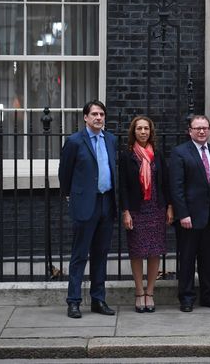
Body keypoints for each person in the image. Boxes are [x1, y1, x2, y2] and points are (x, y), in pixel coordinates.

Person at [59, 100, 117, 319]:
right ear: (85, 117)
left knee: (101, 255)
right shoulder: (74, 141)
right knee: (79, 255)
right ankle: (73, 301)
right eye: (94, 114)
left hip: (106, 202)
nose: (98, 118)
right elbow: (64, 172)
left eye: (102, 114)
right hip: (85, 204)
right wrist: (69, 195)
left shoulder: (110, 139)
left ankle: (98, 299)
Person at [170, 115, 210, 312]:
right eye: (197, 128)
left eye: (205, 128)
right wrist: (182, 214)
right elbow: (176, 187)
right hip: (189, 218)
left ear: (209, 130)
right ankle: (186, 297)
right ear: (190, 131)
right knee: (186, 258)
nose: (201, 131)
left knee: (207, 258)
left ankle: (208, 296)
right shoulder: (180, 152)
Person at [119, 116, 173, 313]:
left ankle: (150, 293)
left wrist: (169, 207)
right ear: (133, 132)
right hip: (136, 209)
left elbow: (165, 183)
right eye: (139, 128)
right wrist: (125, 211)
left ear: (151, 132)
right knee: (136, 252)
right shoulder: (127, 156)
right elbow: (123, 186)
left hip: (156, 208)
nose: (143, 132)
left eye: (146, 129)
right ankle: (139, 293)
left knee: (154, 251)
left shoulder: (157, 155)